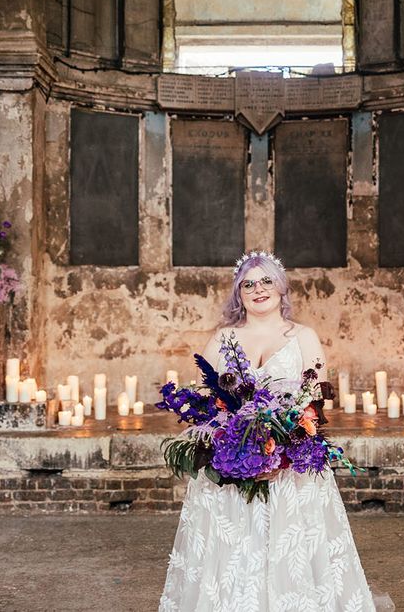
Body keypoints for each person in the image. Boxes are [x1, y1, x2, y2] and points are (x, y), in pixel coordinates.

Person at [159, 251, 376, 612]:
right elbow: (204, 402)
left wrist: (283, 454)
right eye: (248, 284)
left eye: (266, 281)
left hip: (289, 471)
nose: (258, 289)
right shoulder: (223, 337)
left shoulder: (303, 337)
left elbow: (315, 405)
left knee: (291, 552)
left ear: (281, 287)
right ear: (238, 294)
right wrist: (226, 444)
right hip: (231, 471)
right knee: (232, 553)